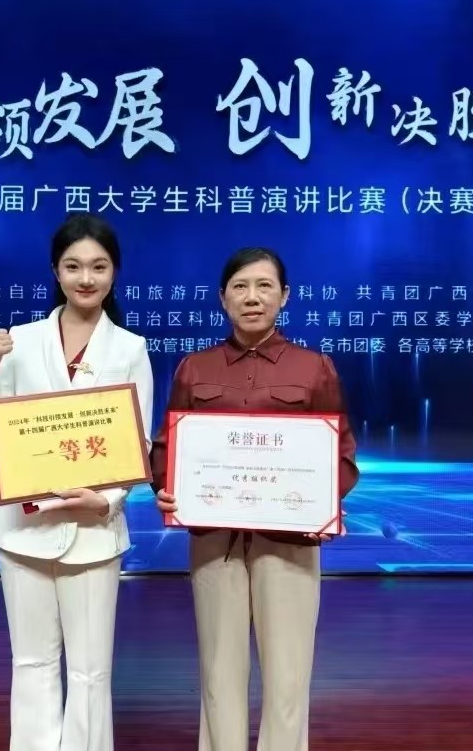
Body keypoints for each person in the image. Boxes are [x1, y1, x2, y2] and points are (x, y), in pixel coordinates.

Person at [151, 247, 359, 751]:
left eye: (265, 286)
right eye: (240, 287)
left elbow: (342, 456)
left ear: (284, 296)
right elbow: (166, 450)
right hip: (214, 540)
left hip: (290, 541)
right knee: (218, 672)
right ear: (222, 297)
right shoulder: (194, 368)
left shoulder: (315, 368)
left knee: (289, 674)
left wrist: (323, 502)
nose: (252, 297)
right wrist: (166, 489)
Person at [0, 214, 154, 751]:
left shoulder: (130, 347)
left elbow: (139, 439)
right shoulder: (18, 341)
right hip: (21, 526)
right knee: (31, 662)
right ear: (56, 271)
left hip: (94, 529)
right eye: (73, 267)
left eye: (98, 267)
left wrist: (107, 499)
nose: (86, 278)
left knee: (91, 671)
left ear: (114, 272)